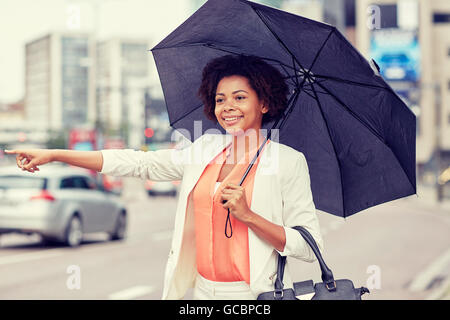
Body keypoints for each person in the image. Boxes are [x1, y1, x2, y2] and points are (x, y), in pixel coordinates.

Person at [5, 54, 323, 300]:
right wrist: (56, 154)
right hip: (199, 291)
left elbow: (309, 246)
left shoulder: (287, 162)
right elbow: (138, 163)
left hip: (255, 295)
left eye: (240, 97)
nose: (228, 107)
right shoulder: (205, 149)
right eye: (220, 99)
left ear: (264, 102)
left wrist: (249, 216)